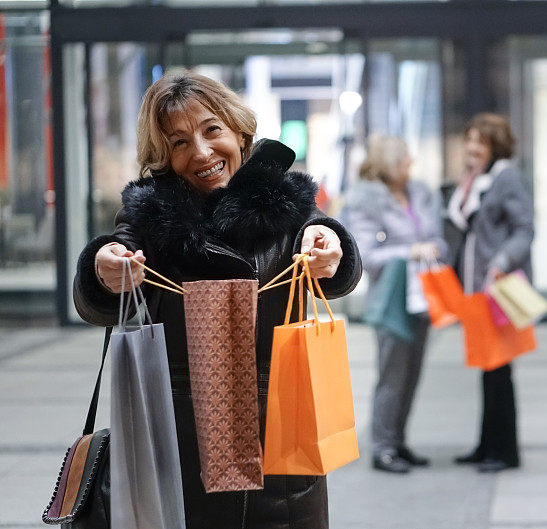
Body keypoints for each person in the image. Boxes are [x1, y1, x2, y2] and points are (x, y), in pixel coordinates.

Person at [73, 71, 362, 529]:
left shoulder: (288, 202)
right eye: (179, 142)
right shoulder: (147, 214)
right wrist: (105, 270)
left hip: (283, 445)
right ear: (164, 156)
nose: (202, 153)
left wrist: (330, 249)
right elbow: (101, 296)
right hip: (178, 445)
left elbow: (336, 264)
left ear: (239, 131)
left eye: (212, 130)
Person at [341, 135, 446, 473]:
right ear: (389, 164)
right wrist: (411, 251)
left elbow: (437, 237)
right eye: (403, 161)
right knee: (392, 375)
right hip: (392, 299)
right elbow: (367, 255)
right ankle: (382, 448)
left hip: (424, 296)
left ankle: (399, 442)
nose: (410, 165)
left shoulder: (418, 193)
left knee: (413, 374)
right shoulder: (366, 201)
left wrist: (434, 248)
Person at [445, 113, 533, 473]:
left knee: (499, 370)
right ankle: (487, 445)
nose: (471, 147)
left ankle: (505, 452)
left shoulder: (506, 178)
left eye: (480, 142)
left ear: (496, 147)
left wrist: (501, 261)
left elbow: (525, 229)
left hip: (496, 288)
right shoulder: (475, 180)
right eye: (469, 139)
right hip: (475, 290)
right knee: (487, 367)